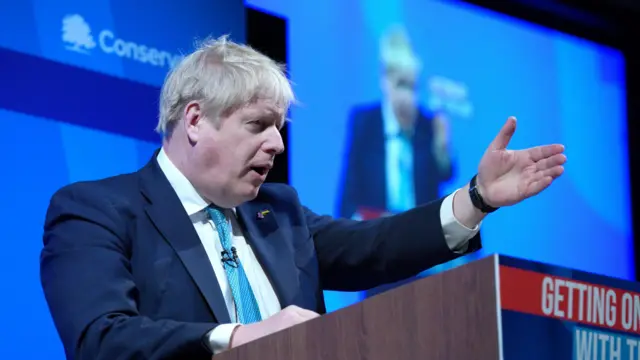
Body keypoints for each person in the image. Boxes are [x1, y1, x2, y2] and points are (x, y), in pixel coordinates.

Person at [40, 35, 566, 360]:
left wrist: (477, 198)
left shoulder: (279, 213)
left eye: (280, 126)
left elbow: (376, 246)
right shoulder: (99, 210)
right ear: (196, 120)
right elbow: (101, 341)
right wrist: (241, 338)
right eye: (258, 125)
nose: (277, 143)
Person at [337, 25, 453, 220]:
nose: (408, 97)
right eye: (402, 85)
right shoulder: (364, 122)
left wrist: (442, 149)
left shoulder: (428, 124)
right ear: (386, 81)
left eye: (414, 87)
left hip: (417, 233)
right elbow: (348, 194)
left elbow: (445, 176)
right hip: (376, 232)